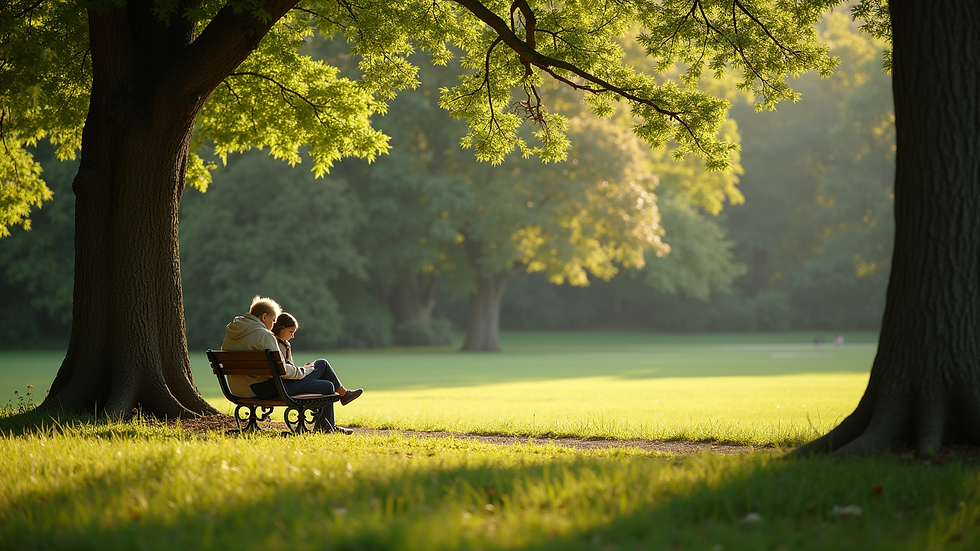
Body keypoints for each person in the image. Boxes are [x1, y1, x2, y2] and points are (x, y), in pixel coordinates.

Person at [220, 296, 359, 433]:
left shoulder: (231, 334)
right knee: (327, 384)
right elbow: (283, 371)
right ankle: (327, 425)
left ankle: (340, 402)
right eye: (273, 320)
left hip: (238, 389)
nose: (273, 325)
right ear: (264, 317)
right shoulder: (264, 335)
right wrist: (304, 371)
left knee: (322, 366)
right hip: (263, 388)